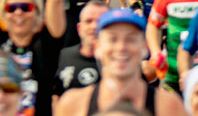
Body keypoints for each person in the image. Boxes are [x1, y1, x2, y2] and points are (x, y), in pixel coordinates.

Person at [55, 9, 188, 116]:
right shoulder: (73, 104)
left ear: (144, 47)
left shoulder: (169, 105)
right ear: (97, 47)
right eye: (112, 39)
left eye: (130, 39)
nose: (121, 47)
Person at [54, 0, 109, 99]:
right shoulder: (64, 57)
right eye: (88, 21)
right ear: (79, 28)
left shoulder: (122, 63)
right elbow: (56, 97)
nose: (94, 26)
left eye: (100, 21)